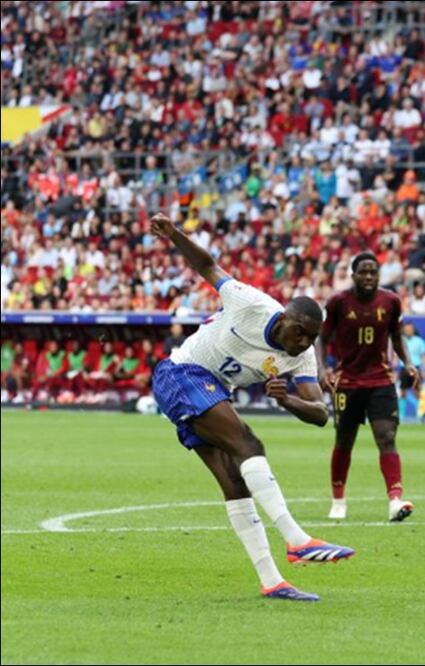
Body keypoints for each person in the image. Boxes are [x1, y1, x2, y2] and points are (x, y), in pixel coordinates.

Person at [147, 212, 353, 603]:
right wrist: (174, 234)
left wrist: (287, 399)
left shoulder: (301, 358)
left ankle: (273, 580)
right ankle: (296, 539)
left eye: (311, 338)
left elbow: (320, 414)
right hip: (181, 373)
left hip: (210, 390)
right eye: (299, 333)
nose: (303, 343)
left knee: (235, 482)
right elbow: (207, 265)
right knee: (249, 447)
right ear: (285, 318)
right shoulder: (251, 303)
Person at [316, 251, 417, 523]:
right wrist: (321, 368)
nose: (369, 277)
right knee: (344, 441)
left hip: (381, 381)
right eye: (363, 272)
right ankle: (338, 501)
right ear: (353, 275)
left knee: (386, 437)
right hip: (347, 382)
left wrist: (408, 362)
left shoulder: (391, 301)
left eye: (373, 272)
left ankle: (395, 501)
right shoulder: (338, 302)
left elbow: (397, 338)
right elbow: (321, 340)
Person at [401, 321, 425, 422]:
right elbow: (395, 356)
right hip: (404, 368)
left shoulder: (419, 341)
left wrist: (424, 369)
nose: (408, 331)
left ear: (413, 330)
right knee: (402, 392)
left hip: (416, 368)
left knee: (417, 391)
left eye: (410, 329)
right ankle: (401, 415)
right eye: (406, 329)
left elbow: (423, 356)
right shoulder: (401, 340)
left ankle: (421, 414)